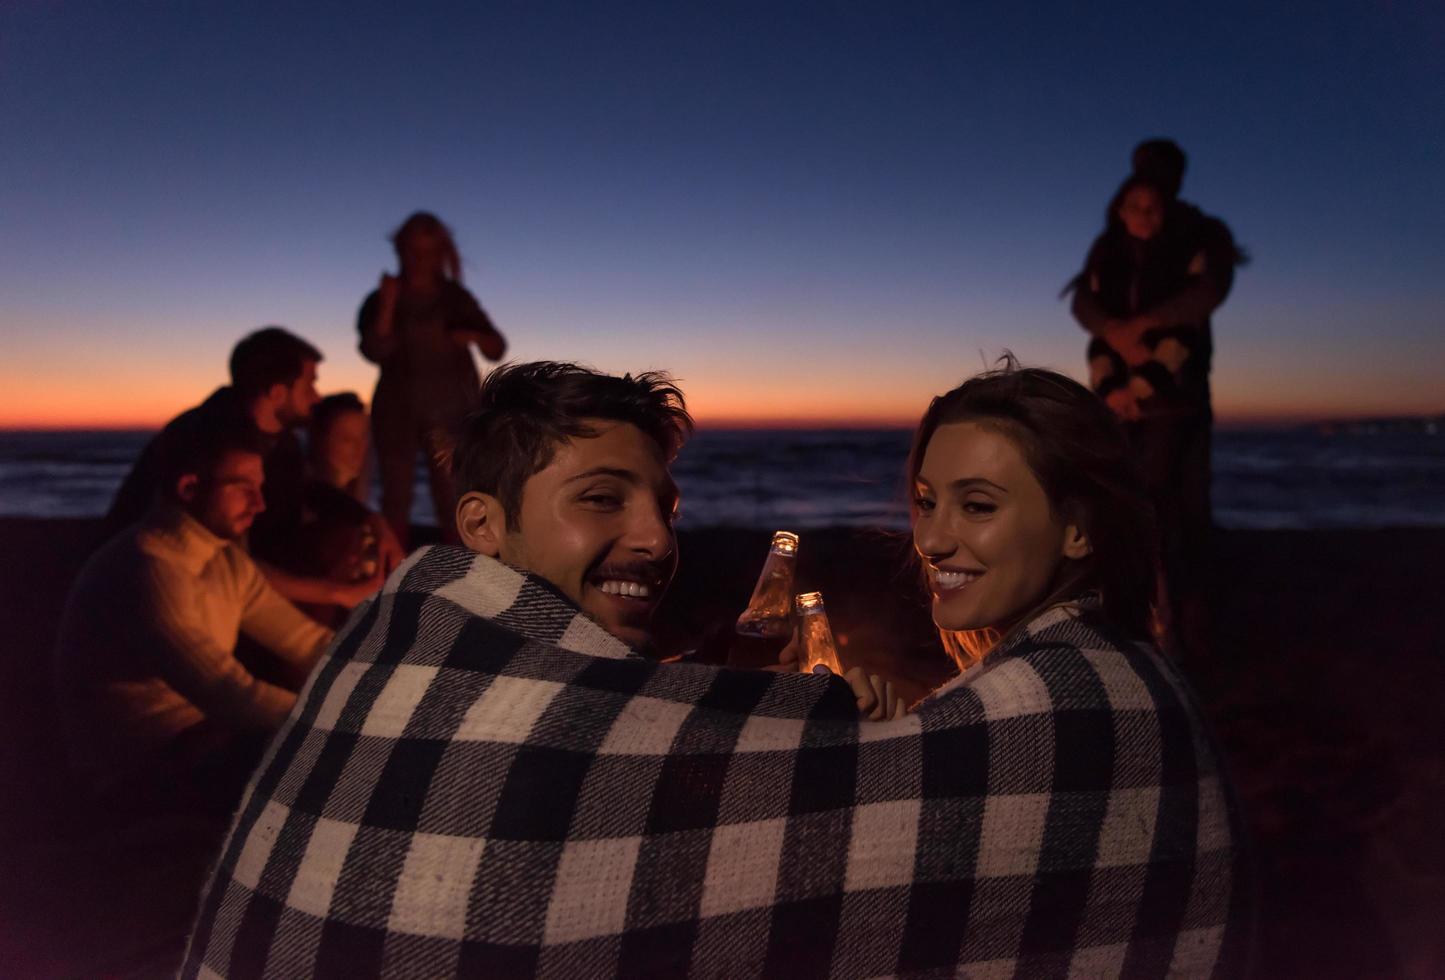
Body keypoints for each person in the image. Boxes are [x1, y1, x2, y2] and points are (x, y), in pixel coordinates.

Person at [183, 362, 1248, 979]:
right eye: (602, 497)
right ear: (479, 526)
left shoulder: (1102, 701)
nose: (655, 538)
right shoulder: (413, 658)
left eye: (665, 504)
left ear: (1074, 531)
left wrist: (833, 735)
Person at [56, 417, 334, 812]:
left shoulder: (224, 561)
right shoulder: (145, 570)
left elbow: (306, 641)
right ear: (189, 487)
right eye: (243, 489)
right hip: (136, 767)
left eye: (260, 487)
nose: (260, 503)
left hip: (206, 735)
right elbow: (230, 694)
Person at [1068, 140, 1244, 658]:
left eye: (1163, 177)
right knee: (1129, 501)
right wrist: (1112, 349)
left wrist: (1142, 328)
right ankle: (1141, 616)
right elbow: (1084, 302)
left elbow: (1207, 293)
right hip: (1120, 401)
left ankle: (1187, 622)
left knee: (1183, 505)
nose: (1152, 192)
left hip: (1178, 397)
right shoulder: (1110, 245)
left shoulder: (1197, 232)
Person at [105, 327, 379, 613]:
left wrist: (372, 519)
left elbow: (307, 489)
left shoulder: (281, 440)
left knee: (342, 537)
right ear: (277, 393)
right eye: (309, 384)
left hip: (245, 561)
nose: (317, 398)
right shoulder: (212, 442)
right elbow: (231, 561)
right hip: (157, 580)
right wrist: (337, 593)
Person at [358, 211, 508, 547]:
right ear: (400, 251)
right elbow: (373, 350)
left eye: (427, 252)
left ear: (440, 254)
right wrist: (387, 305)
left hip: (452, 411)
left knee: (454, 494)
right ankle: (393, 570)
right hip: (396, 412)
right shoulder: (383, 297)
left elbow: (496, 347)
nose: (419, 260)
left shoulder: (455, 298)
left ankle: (459, 570)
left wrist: (470, 334)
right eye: (412, 251)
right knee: (394, 495)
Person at [271, 393, 405, 626]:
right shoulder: (307, 510)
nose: (359, 449)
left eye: (363, 438)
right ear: (318, 439)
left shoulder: (352, 500)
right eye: (346, 439)